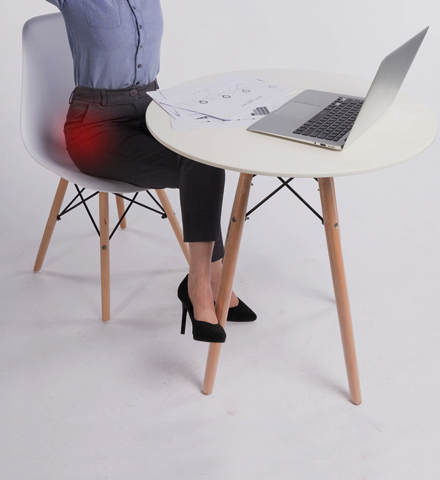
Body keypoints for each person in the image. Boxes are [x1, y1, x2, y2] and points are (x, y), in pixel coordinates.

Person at [45, 0, 256, 343]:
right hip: (95, 128)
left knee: (204, 155)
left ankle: (211, 279)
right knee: (197, 164)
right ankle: (201, 286)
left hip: (152, 110)